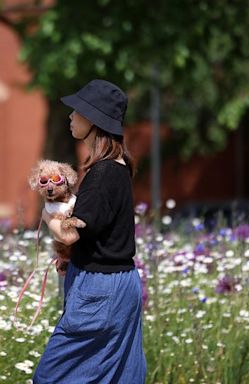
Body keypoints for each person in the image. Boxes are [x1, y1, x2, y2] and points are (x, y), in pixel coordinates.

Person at [33, 79, 147, 384]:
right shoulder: (118, 168)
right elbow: (103, 230)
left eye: (77, 112)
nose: (71, 117)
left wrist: (47, 215)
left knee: (52, 377)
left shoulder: (102, 173)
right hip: (121, 284)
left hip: (100, 290)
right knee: (115, 377)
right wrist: (76, 258)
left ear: (93, 120)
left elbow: (70, 233)